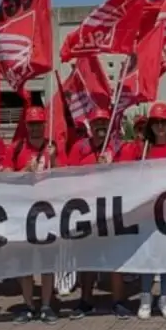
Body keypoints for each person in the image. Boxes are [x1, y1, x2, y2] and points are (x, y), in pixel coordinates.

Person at [119, 102, 166, 319]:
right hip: (148, 212)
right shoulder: (142, 149)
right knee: (148, 255)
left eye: (164, 122)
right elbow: (123, 172)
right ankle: (146, 296)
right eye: (156, 122)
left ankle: (165, 296)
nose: (160, 126)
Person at [6, 107, 63, 323]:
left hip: (48, 213)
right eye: (32, 124)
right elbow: (4, 175)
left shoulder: (52, 147)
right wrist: (23, 173)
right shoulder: (17, 147)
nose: (36, 128)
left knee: (48, 262)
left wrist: (54, 159)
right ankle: (29, 305)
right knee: (25, 263)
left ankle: (47, 305)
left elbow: (66, 175)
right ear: (27, 126)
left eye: (39, 124)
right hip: (23, 214)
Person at [65, 108, 119, 318]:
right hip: (86, 211)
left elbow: (131, 174)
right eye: (97, 123)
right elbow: (69, 174)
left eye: (104, 123)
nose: (100, 127)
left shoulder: (118, 147)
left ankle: (118, 301)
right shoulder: (80, 148)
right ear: (91, 125)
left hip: (112, 211)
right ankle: (85, 300)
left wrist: (111, 167)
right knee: (86, 258)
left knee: (116, 258)